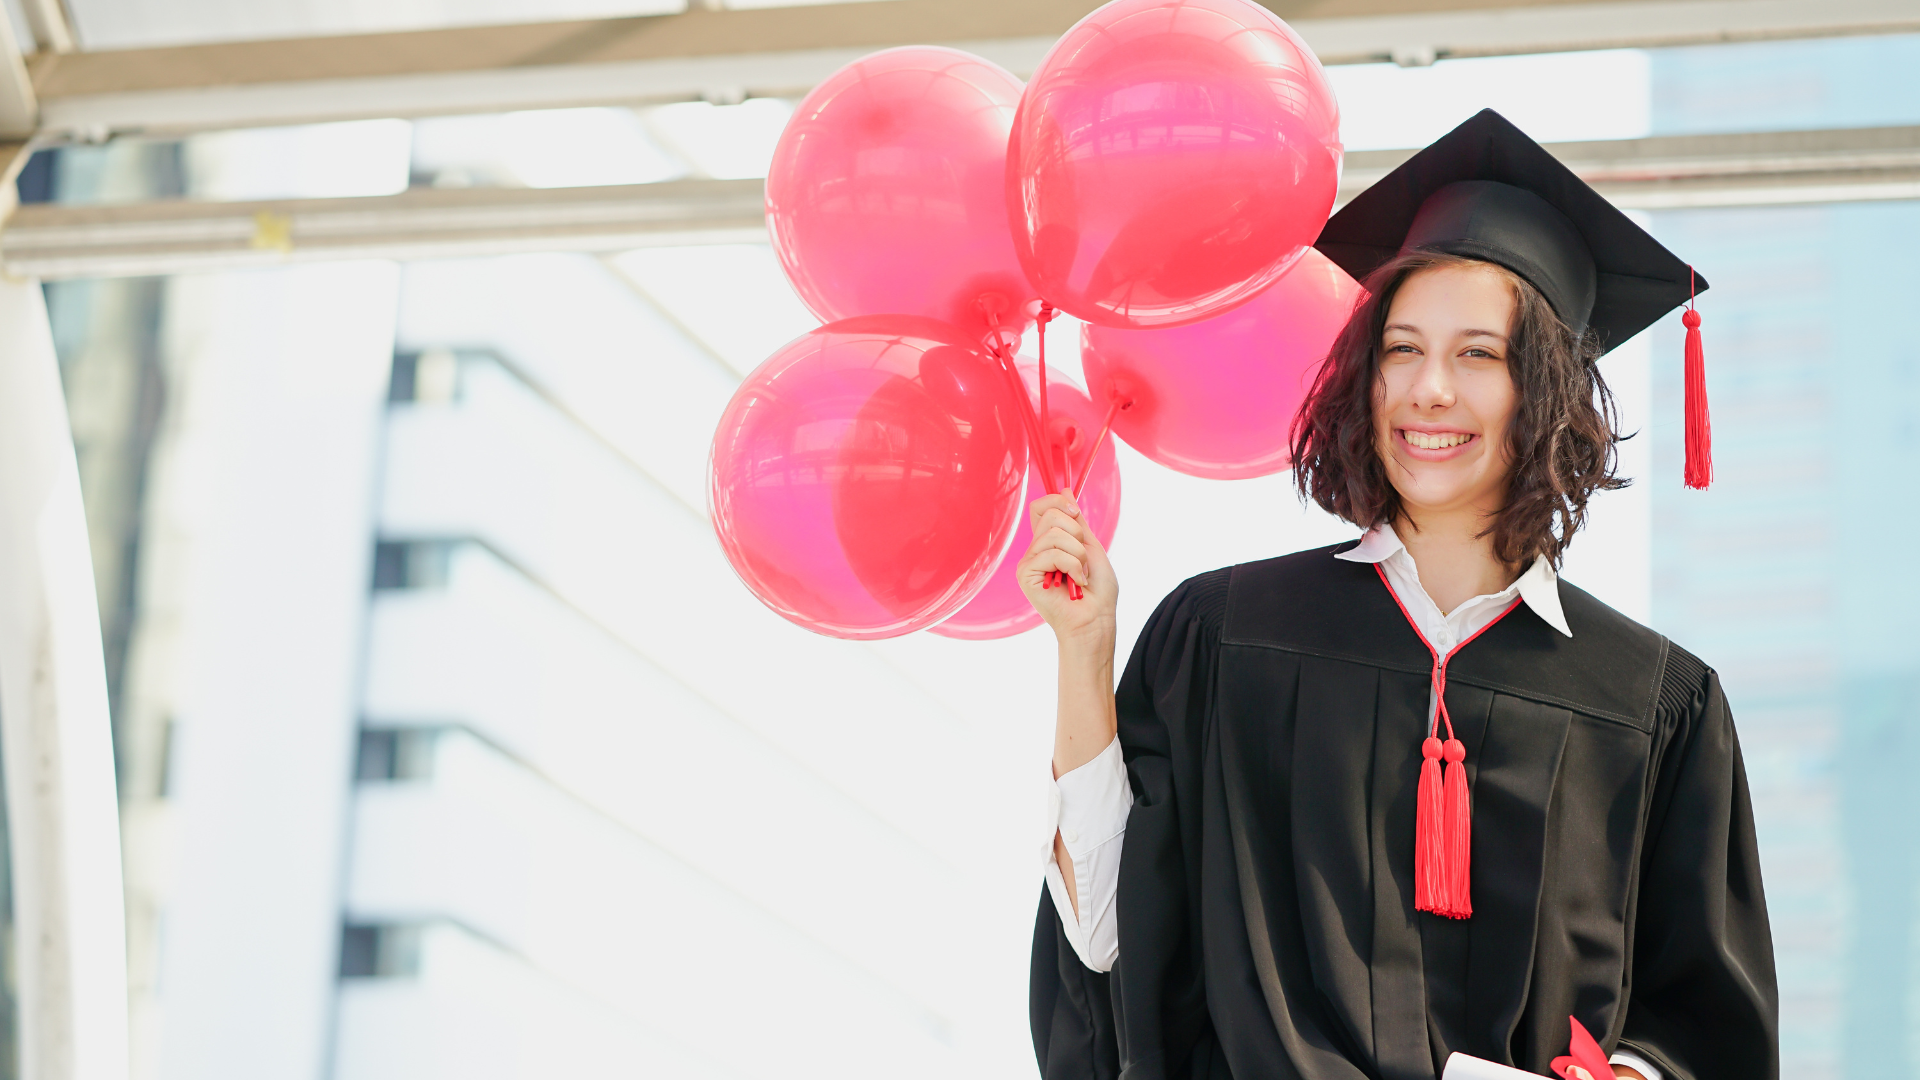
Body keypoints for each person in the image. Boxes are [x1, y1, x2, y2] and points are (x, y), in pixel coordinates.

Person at [1017, 111, 1777, 1080]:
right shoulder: (1226, 638)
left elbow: (1708, 1028)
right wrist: (1085, 653)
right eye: (1401, 350)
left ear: (1541, 389)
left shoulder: (1654, 704)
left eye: (1476, 355)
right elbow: (1113, 939)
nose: (1427, 390)